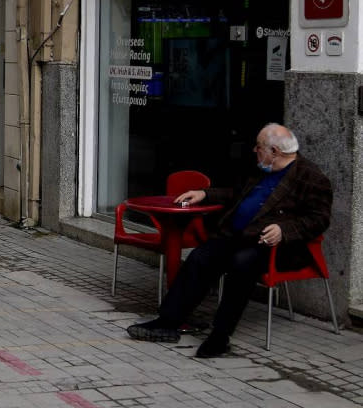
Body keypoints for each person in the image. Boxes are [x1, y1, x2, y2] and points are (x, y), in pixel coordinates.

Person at [126, 123, 332, 358]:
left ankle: (220, 336)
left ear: (275, 151)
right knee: (201, 257)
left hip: (274, 246)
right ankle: (167, 321)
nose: (255, 150)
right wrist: (204, 193)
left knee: (241, 264)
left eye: (259, 147)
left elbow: (319, 219)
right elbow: (235, 194)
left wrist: (284, 229)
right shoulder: (261, 169)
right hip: (239, 236)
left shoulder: (312, 178)